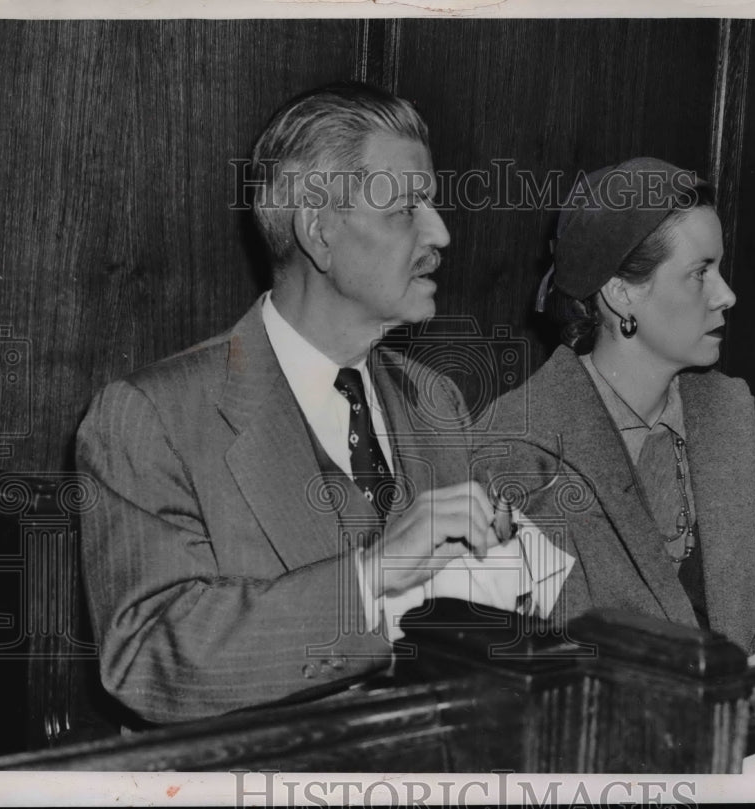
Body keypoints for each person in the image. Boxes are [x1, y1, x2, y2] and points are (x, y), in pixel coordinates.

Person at [76, 82, 566, 725]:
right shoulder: (153, 418)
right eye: (407, 209)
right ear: (319, 231)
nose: (441, 233)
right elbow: (145, 660)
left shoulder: (437, 399)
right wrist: (371, 579)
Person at [477, 157, 755, 664]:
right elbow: (543, 660)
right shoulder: (519, 448)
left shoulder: (736, 419)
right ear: (621, 294)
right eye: (699, 274)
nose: (726, 294)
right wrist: (713, 693)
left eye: (720, 268)